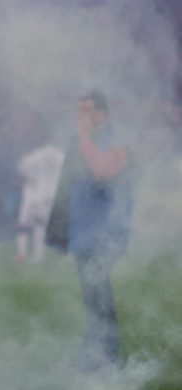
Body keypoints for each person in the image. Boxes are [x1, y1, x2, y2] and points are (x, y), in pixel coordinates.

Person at [46, 91, 131, 369]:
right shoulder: (82, 144)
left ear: (103, 114)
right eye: (79, 111)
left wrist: (82, 138)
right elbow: (67, 190)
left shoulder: (114, 143)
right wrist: (59, 234)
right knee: (92, 298)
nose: (81, 117)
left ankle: (109, 357)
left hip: (104, 238)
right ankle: (95, 352)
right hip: (83, 237)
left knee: (100, 297)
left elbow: (101, 172)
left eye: (88, 110)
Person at [15, 143, 64, 263]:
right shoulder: (60, 155)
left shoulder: (32, 156)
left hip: (34, 194)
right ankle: (41, 255)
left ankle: (23, 254)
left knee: (26, 226)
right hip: (52, 194)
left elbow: (22, 172)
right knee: (42, 225)